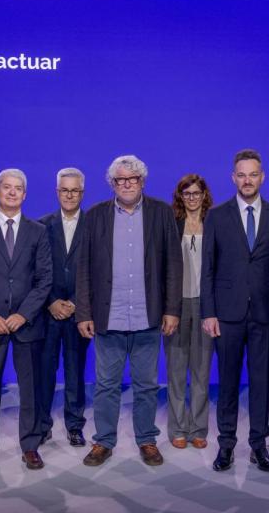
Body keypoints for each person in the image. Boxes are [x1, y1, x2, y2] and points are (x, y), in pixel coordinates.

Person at [76, 155, 182, 467]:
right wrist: (84, 313)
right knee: (106, 385)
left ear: (142, 182)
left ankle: (146, 440)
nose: (126, 184)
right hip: (108, 317)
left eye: (132, 179)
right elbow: (83, 268)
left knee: (146, 385)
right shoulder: (95, 216)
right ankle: (104, 441)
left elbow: (173, 266)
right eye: (120, 180)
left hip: (148, 317)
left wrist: (172, 309)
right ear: (112, 183)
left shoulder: (161, 213)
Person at [202, 148, 269, 474]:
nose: (247, 180)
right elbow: (208, 269)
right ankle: (226, 445)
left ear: (262, 177)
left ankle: (258, 445)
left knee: (260, 382)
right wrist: (208, 313)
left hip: (266, 316)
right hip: (226, 315)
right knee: (227, 383)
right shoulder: (216, 215)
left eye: (253, 174)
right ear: (233, 178)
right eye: (241, 175)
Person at [0, 169, 53, 472]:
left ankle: (30, 445)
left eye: (18, 189)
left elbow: (44, 280)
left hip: (26, 324)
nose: (13, 193)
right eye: (7, 188)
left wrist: (21, 314)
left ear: (25, 194)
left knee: (30, 388)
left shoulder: (38, 231)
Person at [38, 168, 90, 448]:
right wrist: (50, 302)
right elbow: (35, 270)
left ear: (82, 193)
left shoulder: (94, 225)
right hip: (48, 312)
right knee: (45, 371)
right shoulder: (41, 225)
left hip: (78, 313)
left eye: (75, 190)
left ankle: (74, 426)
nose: (70, 195)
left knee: (75, 371)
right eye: (65, 190)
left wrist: (77, 303)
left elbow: (98, 269)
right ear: (57, 192)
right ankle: (42, 425)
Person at [166, 174, 215, 450]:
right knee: (175, 370)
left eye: (197, 193)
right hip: (176, 305)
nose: (192, 198)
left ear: (204, 195)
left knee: (201, 369)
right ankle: (177, 429)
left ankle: (198, 428)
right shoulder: (172, 225)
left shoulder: (214, 224)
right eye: (187, 194)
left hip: (205, 305)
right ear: (180, 197)